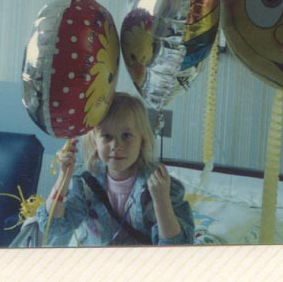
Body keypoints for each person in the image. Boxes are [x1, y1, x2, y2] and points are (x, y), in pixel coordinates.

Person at [34, 93, 196, 246]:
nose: (116, 146)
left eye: (126, 136)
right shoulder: (85, 186)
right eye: (107, 136)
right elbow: (52, 226)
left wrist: (161, 200)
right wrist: (63, 177)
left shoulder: (161, 187)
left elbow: (177, 247)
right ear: (95, 142)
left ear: (142, 141)